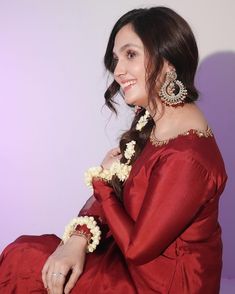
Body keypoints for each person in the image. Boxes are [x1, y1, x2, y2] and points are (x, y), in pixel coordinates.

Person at [0, 6, 227, 294]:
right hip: (136, 264)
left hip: (164, 283)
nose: (118, 71)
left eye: (130, 54)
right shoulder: (153, 121)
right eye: (116, 58)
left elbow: (136, 248)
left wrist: (102, 184)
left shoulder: (186, 156)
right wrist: (77, 239)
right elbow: (121, 192)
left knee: (25, 261)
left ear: (167, 61)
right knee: (29, 251)